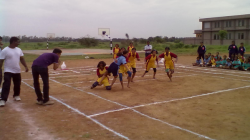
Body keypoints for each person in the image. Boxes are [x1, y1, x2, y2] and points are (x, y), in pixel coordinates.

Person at [0, 37, 29, 107]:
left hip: (17, 70)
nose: (18, 43)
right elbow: (1, 61)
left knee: (17, 84)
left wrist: (25, 66)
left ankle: (16, 95)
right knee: (6, 85)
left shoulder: (19, 50)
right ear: (13, 42)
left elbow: (22, 59)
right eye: (17, 42)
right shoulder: (5, 50)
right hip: (8, 70)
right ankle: (3, 99)